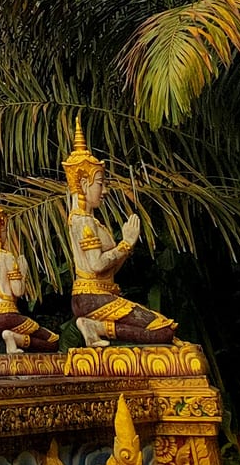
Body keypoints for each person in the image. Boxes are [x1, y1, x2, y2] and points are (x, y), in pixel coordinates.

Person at [64, 119, 175, 347]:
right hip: (92, 298)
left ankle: (95, 327)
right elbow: (97, 264)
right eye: (100, 183)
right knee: (161, 330)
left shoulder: (86, 220)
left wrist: (127, 246)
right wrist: (124, 244)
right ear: (84, 183)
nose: (104, 191)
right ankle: (94, 327)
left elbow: (108, 270)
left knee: (163, 328)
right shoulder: (83, 222)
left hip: (98, 295)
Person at [0, 180, 59, 354]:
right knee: (51, 341)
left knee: (0, 331)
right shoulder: (5, 256)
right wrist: (23, 271)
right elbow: (18, 290)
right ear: (0, 225)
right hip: (7, 317)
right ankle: (12, 337)